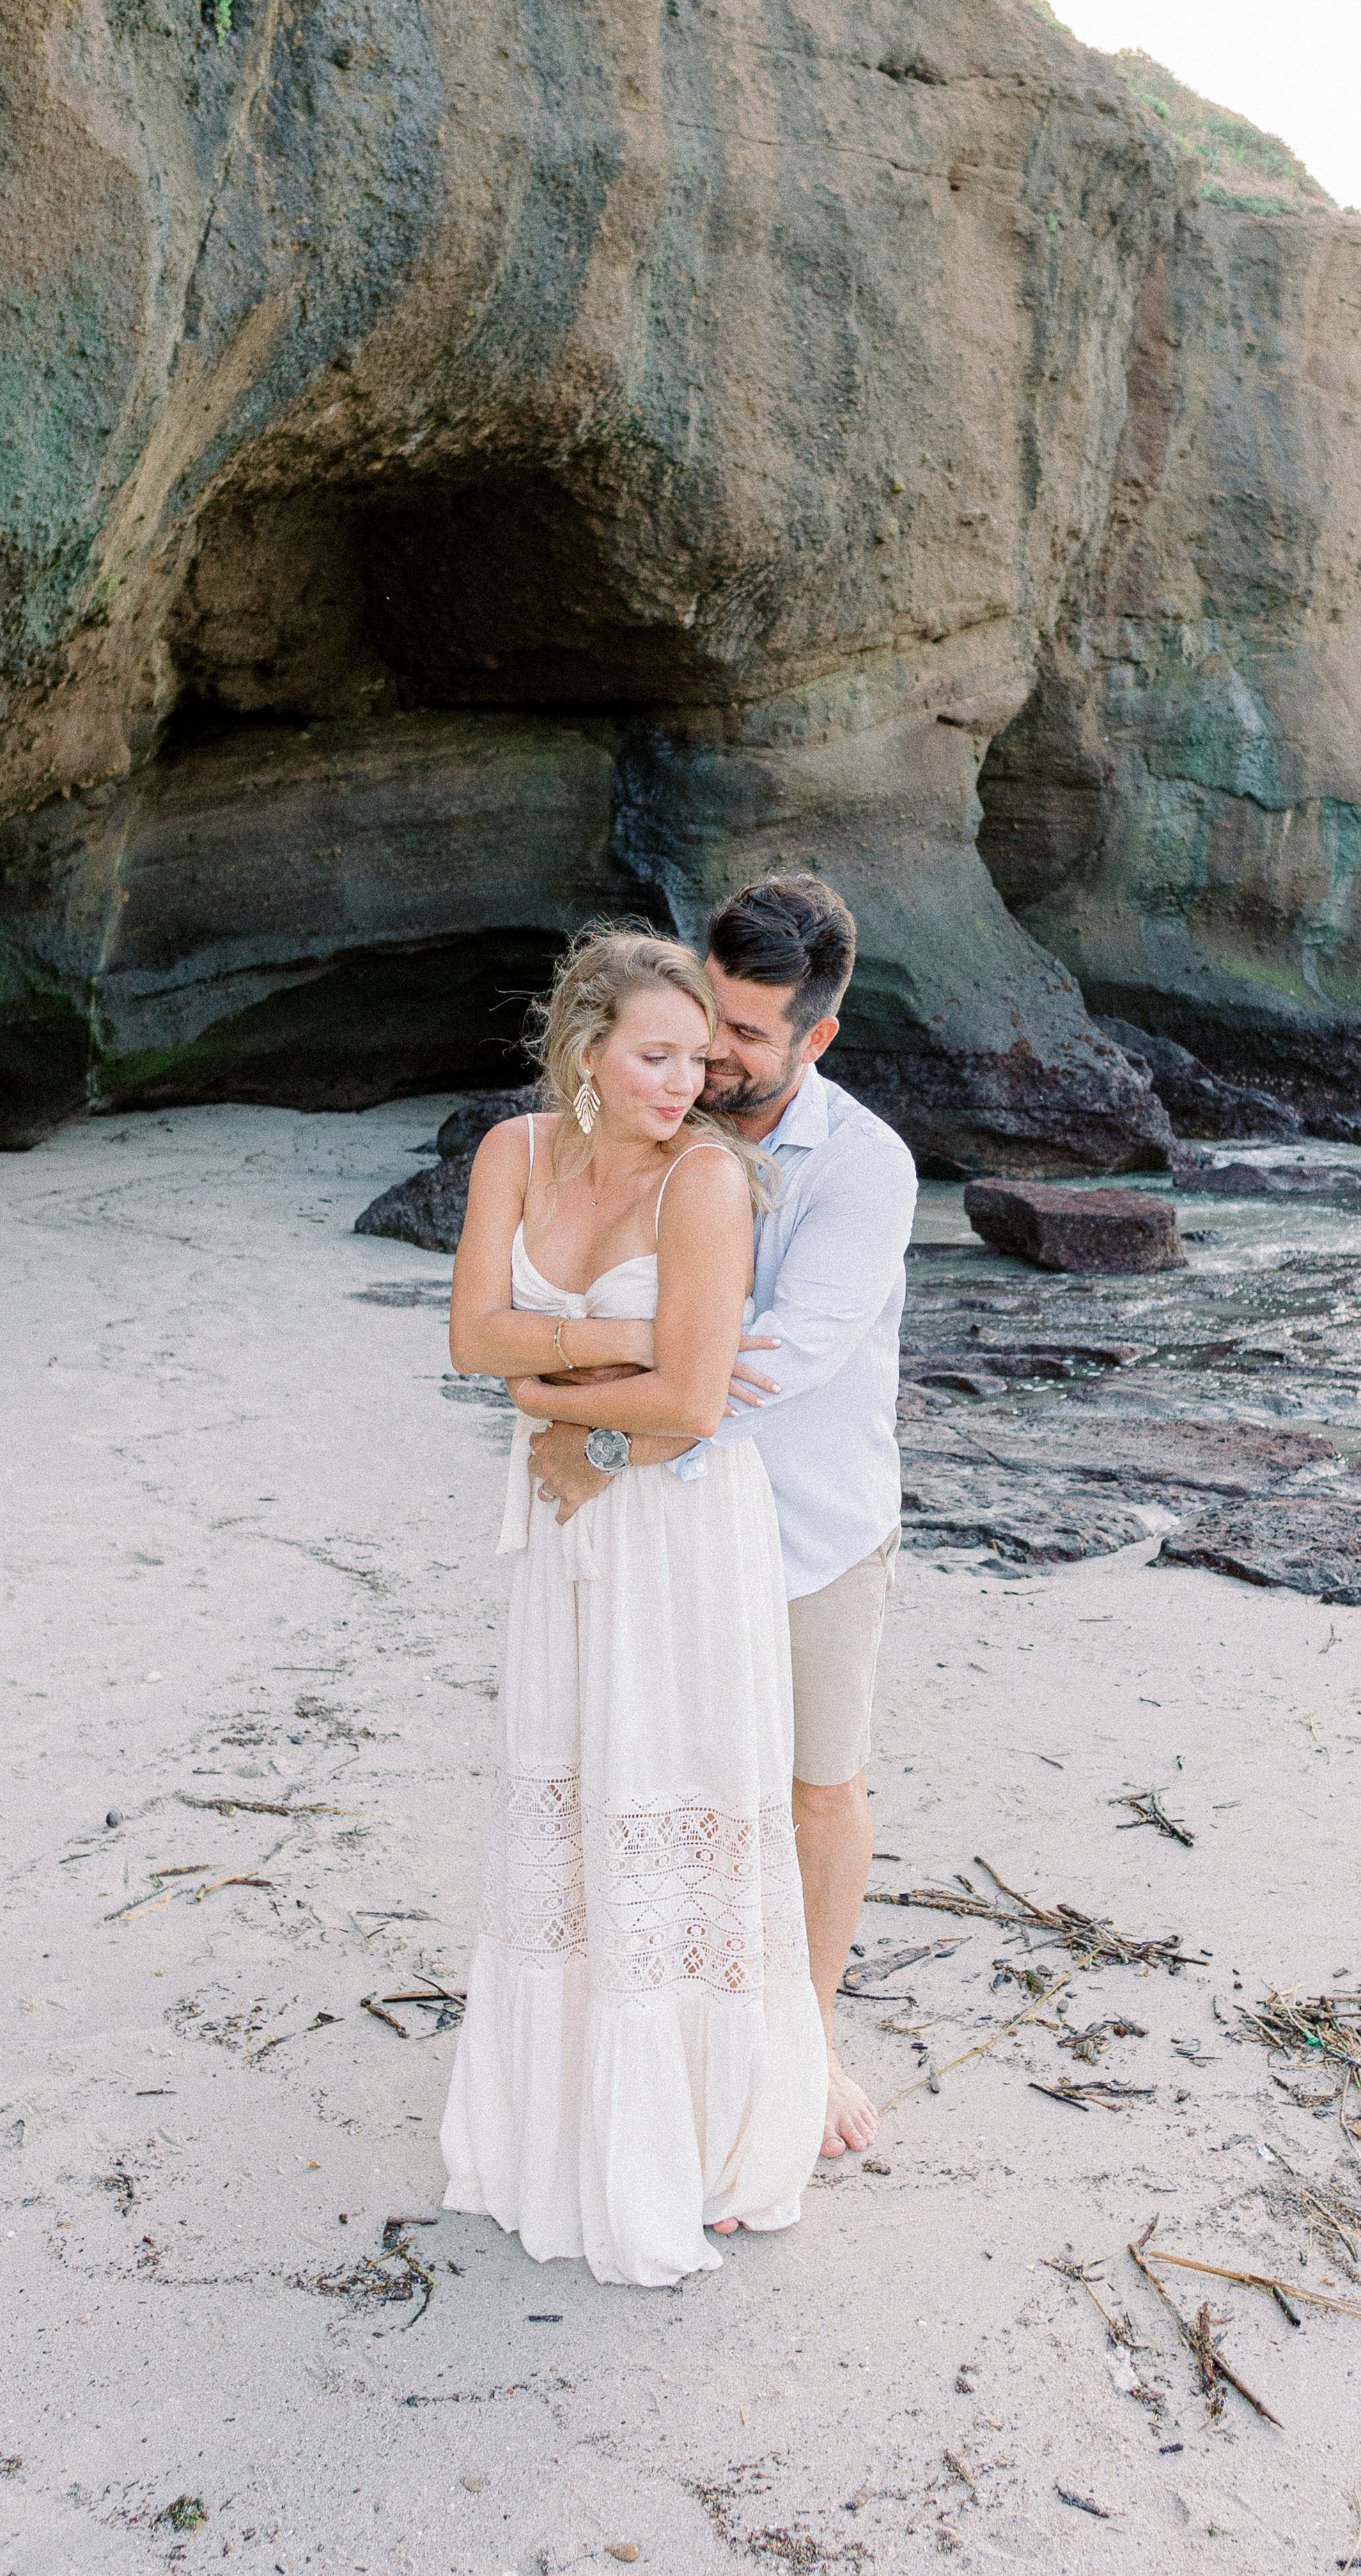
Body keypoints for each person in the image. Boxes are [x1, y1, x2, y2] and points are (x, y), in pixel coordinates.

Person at [440, 929, 827, 2289]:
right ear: (585, 1050)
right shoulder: (512, 1154)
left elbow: (693, 1402)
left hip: (675, 1536)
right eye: (656, 1057)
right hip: (562, 1533)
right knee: (567, 1793)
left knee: (667, 1795)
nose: (686, 1084)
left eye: (700, 1059)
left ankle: (690, 2143)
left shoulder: (707, 1181)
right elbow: (470, 1338)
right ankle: (554, 2138)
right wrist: (611, 1348)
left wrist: (561, 1401)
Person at [521, 876, 917, 2160]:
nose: (715, 1057)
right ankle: (658, 2033)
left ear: (819, 1035)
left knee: (817, 1789)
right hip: (662, 1533)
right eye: (707, 1017)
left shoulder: (865, 1168)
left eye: (747, 1035)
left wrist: (604, 1429)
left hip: (809, 1530)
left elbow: (770, 1364)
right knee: (666, 1784)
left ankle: (809, 2042)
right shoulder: (655, 1116)